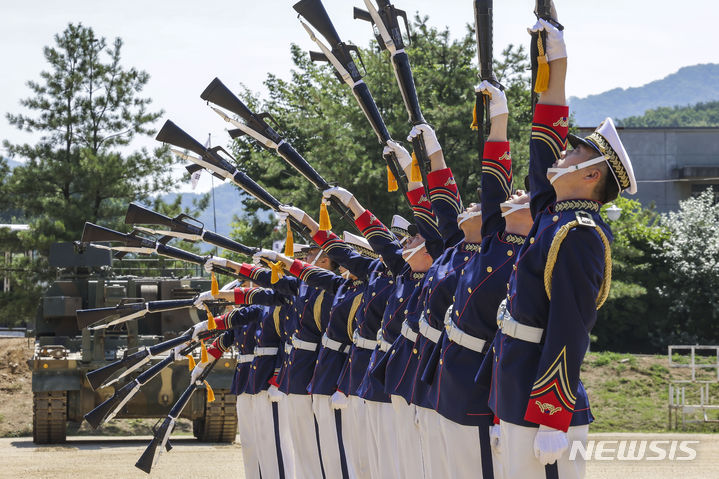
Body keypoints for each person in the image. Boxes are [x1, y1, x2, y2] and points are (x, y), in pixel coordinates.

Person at [479, 4, 636, 478]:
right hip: (516, 385)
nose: (563, 150)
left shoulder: (579, 233)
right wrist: (555, 65)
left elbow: (570, 325)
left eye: (576, 150)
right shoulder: (556, 214)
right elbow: (544, 140)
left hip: (543, 403)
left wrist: (552, 414)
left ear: (589, 175)